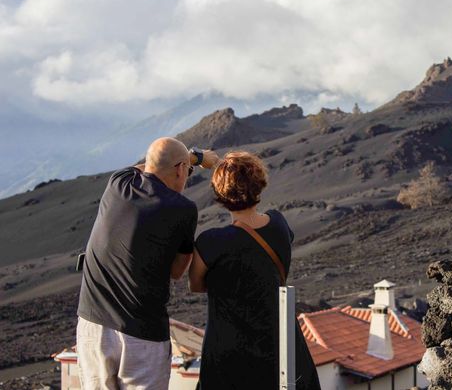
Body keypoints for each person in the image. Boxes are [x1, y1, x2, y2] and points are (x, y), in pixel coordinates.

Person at [77, 137, 218, 390]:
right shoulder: (183, 209)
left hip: (93, 324)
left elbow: (148, 166)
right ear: (178, 169)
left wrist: (192, 158)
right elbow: (177, 272)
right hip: (142, 333)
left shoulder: (118, 183)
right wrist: (194, 159)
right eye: (186, 170)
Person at [189, 151, 320, 389]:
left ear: (219, 194)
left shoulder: (211, 242)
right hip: (280, 348)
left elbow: (195, 284)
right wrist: (229, 168)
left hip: (230, 354)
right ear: (260, 185)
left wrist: (209, 164)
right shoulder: (279, 225)